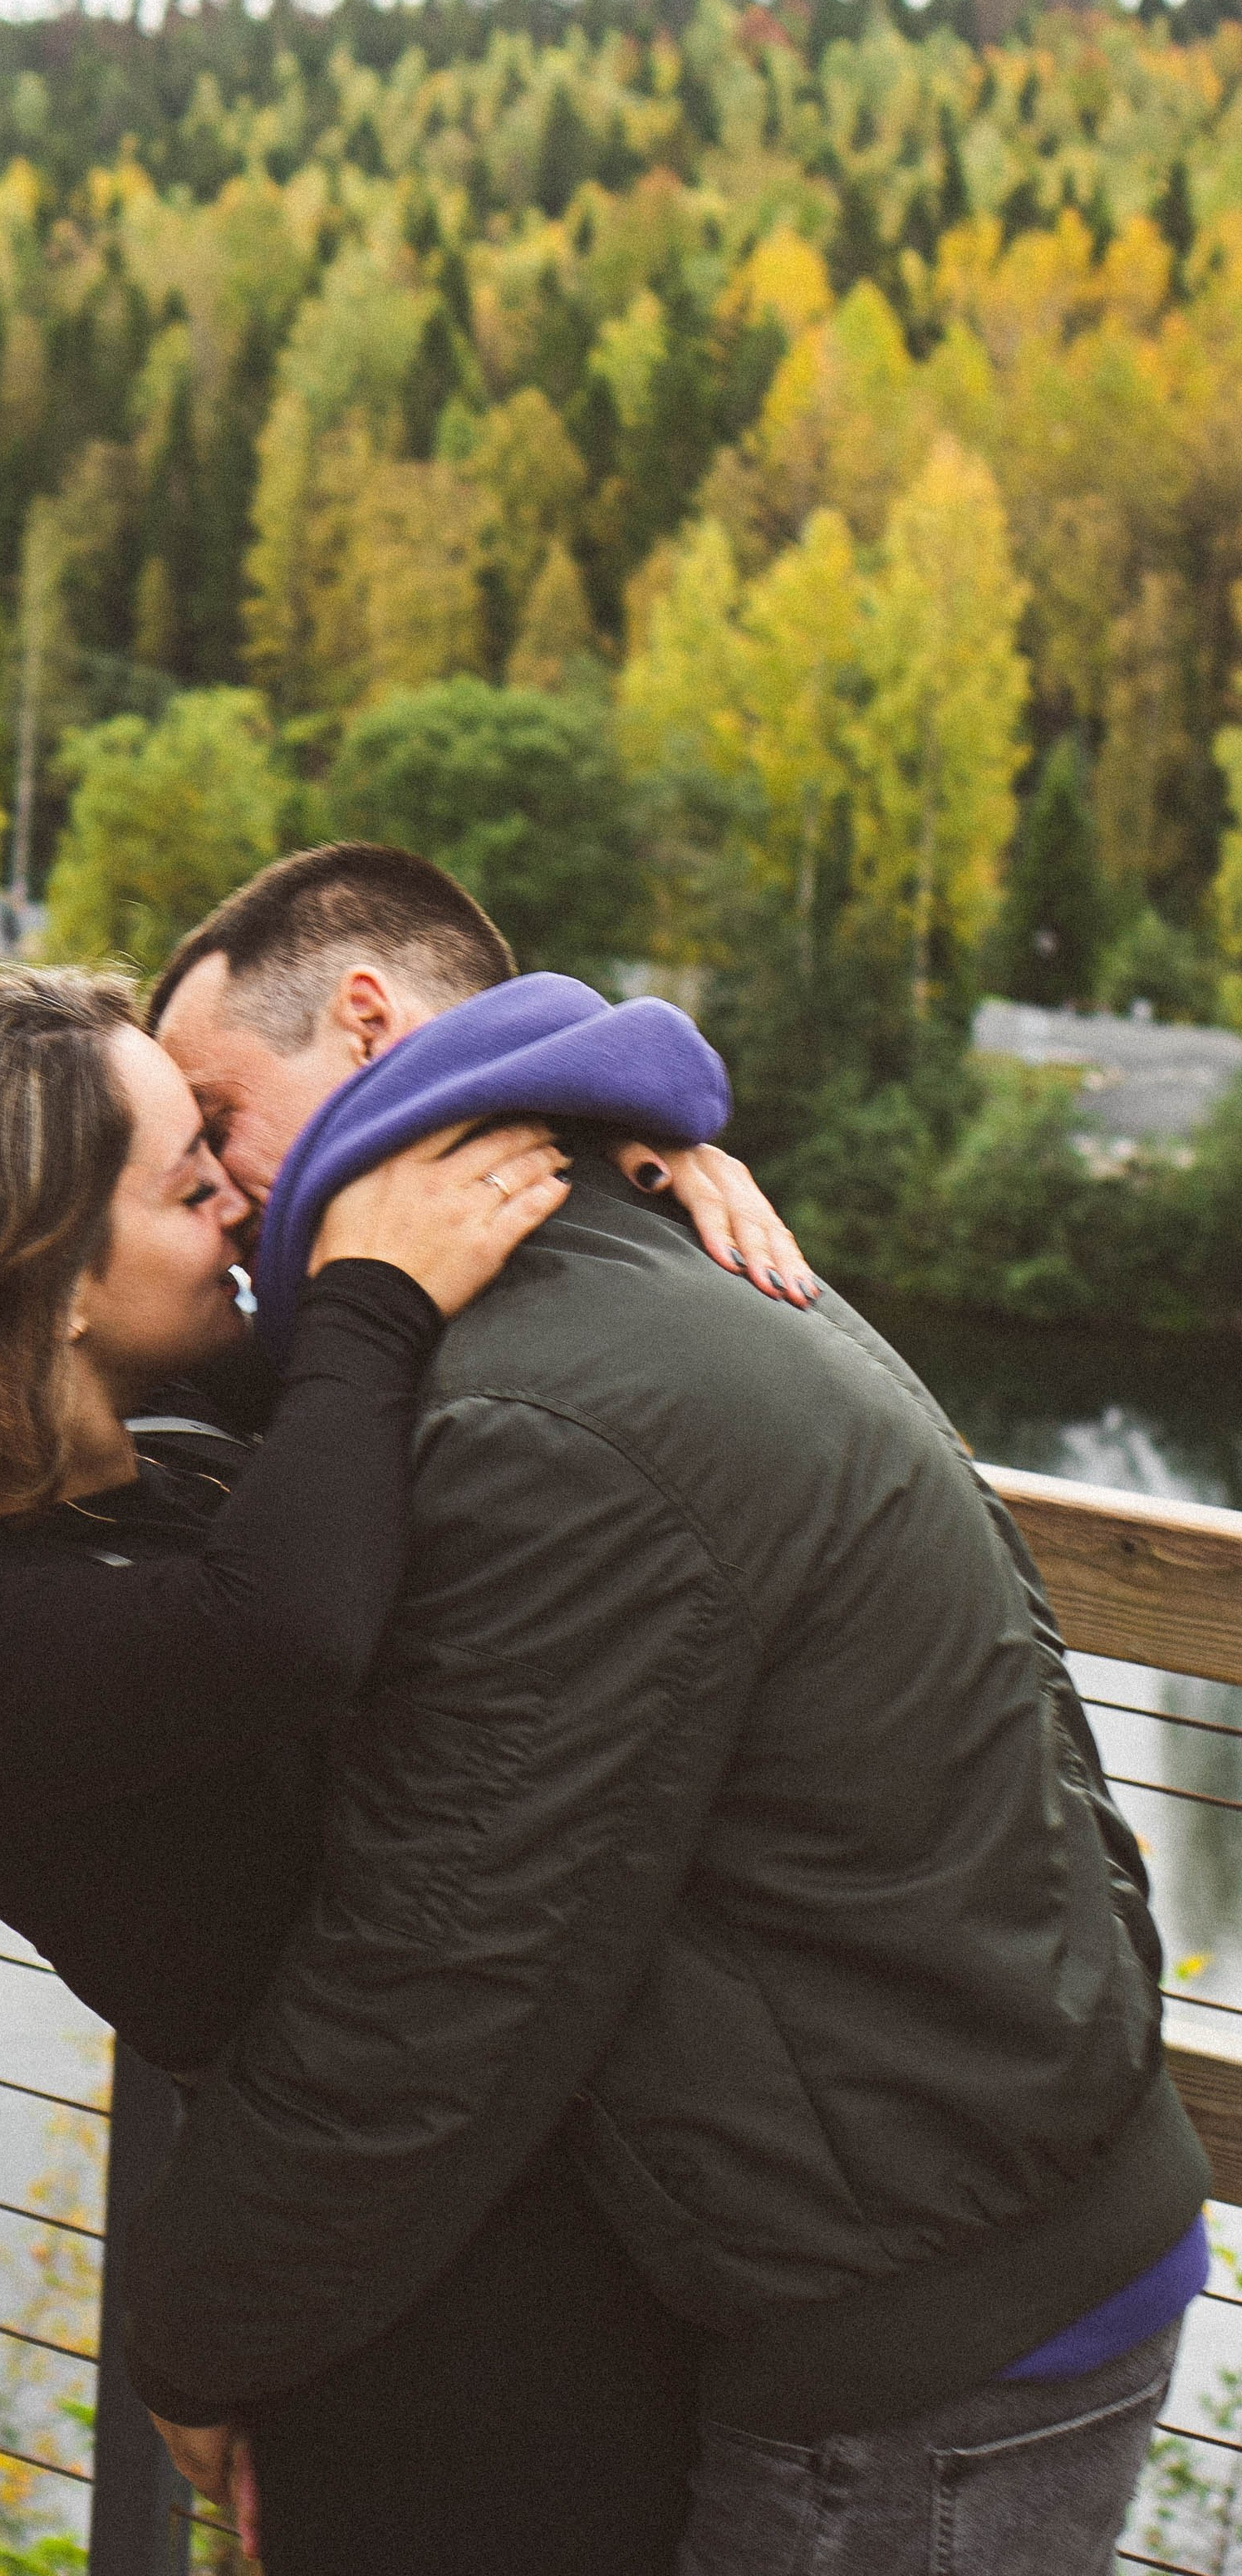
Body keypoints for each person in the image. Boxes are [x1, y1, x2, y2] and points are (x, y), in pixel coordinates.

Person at [129, 841, 1210, 2576]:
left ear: (360, 1017)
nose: (219, 1198)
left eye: (215, 1118)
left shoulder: (548, 1412)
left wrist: (197, 2329)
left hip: (923, 2339)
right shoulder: (628, 1243)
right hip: (969, 2227)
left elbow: (435, 1967)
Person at [0, 959, 808, 2572]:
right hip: (409, 2349)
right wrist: (370, 1295)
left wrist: (624, 1186)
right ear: (52, 1291)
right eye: (189, 1181)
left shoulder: (149, 1460)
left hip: (494, 2229)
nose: (245, 1201)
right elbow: (291, 1617)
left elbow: (378, 1380)